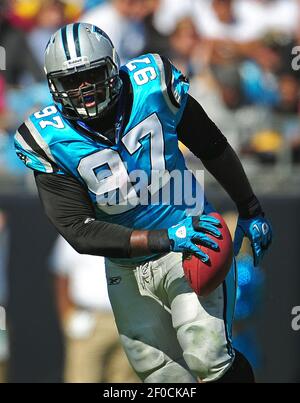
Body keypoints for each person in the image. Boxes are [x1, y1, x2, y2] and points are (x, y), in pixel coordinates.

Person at [14, 23, 272, 383]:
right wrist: (163, 238)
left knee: (207, 354)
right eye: (72, 81)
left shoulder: (153, 85)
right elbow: (78, 231)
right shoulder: (47, 138)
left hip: (192, 237)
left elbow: (209, 143)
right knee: (160, 376)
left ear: (113, 67)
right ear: (54, 86)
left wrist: (250, 209)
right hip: (128, 263)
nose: (84, 89)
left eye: (91, 75)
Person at [50, 235, 138, 383]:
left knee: (127, 379)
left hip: (130, 317)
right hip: (90, 320)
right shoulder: (75, 227)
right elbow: (61, 273)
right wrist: (67, 316)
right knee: (83, 378)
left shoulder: (131, 224)